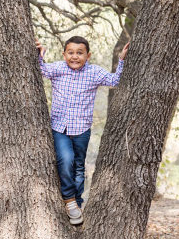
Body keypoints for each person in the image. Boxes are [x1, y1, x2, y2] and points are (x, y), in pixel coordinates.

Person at [36, 35, 129, 225]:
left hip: (82, 129)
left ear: (88, 55)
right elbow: (41, 70)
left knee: (79, 166)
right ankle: (69, 199)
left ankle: (77, 203)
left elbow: (114, 81)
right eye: (70, 52)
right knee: (66, 159)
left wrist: (121, 60)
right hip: (59, 127)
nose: (75, 56)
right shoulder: (58, 69)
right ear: (64, 54)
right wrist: (40, 55)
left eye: (80, 53)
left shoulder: (94, 72)